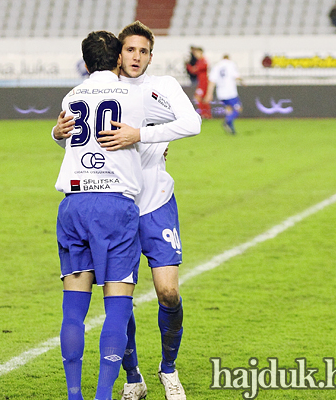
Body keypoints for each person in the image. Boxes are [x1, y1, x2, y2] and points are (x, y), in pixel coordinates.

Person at [53, 21, 201, 400]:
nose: (136, 57)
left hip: (154, 201)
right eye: (130, 50)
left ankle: (169, 369)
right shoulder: (117, 92)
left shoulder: (161, 88)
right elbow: (80, 140)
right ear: (118, 54)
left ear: (151, 55)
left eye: (144, 51)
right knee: (121, 293)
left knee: (167, 292)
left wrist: (144, 134)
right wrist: (56, 134)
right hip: (120, 202)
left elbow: (191, 122)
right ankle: (133, 376)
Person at [53, 30, 146, 400]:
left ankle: (74, 395)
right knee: (117, 305)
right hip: (113, 204)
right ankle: (103, 395)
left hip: (74, 204)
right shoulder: (134, 95)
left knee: (73, 309)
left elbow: (66, 134)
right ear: (118, 59)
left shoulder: (73, 95)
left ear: (86, 62)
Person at [204, 54, 243, 135]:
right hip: (230, 92)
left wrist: (209, 94)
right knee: (238, 109)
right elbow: (237, 76)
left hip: (221, 93)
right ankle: (227, 122)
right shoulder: (231, 64)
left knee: (229, 109)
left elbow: (212, 81)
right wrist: (242, 81)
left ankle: (232, 130)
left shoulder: (216, 66)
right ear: (228, 58)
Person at [185, 47, 211, 119]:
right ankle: (206, 114)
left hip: (203, 83)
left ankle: (205, 114)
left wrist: (188, 66)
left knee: (198, 97)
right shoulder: (200, 61)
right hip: (201, 82)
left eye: (197, 53)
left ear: (200, 52)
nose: (196, 55)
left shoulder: (203, 61)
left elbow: (194, 70)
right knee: (201, 99)